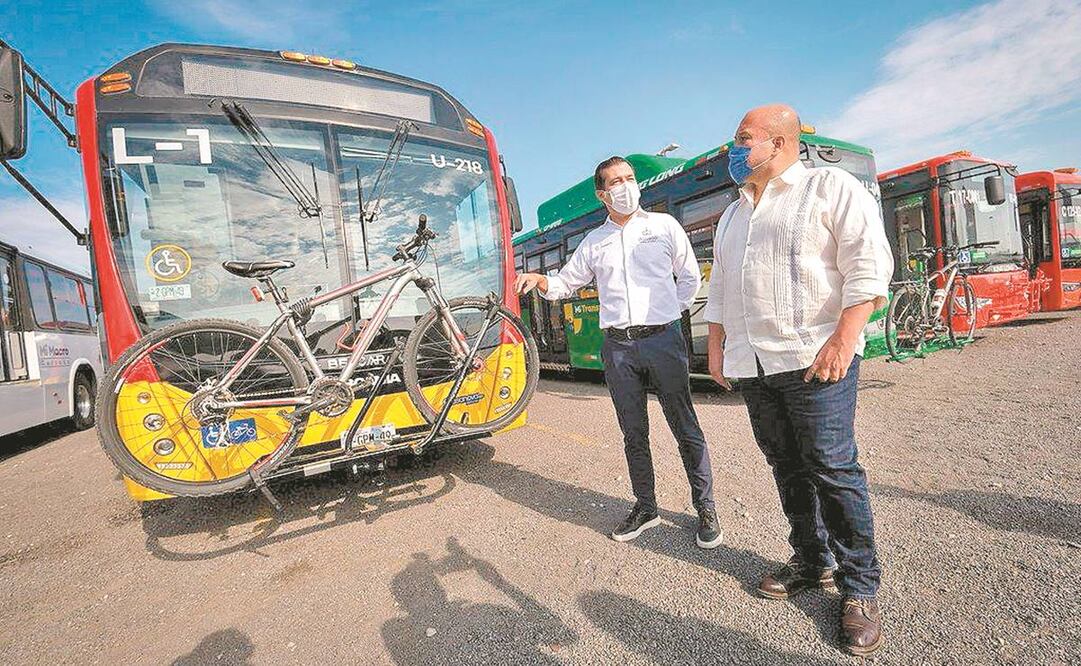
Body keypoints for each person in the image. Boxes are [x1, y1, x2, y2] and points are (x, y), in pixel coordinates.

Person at [704, 104, 893, 656]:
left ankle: (859, 587)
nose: (734, 149)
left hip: (815, 358)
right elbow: (721, 289)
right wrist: (717, 348)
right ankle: (812, 561)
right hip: (755, 365)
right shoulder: (732, 215)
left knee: (832, 468)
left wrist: (844, 339)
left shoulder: (829, 188)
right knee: (786, 466)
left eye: (743, 139)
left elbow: (867, 265)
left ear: (780, 142)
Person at [515, 156, 722, 549]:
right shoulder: (595, 242)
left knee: (685, 427)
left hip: (663, 341)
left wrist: (669, 314)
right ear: (602, 194)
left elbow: (689, 277)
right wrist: (540, 278)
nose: (626, 186)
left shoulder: (663, 226)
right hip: (619, 348)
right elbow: (564, 284)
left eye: (630, 178)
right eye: (616, 182)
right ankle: (646, 507)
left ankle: (706, 508)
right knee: (633, 433)